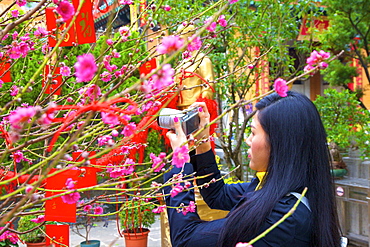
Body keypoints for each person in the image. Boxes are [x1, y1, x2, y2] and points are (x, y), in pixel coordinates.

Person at [163, 91, 341, 247]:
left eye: (253, 133)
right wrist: (203, 144)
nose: (248, 140)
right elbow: (218, 195)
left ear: (280, 144)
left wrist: (180, 163)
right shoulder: (276, 188)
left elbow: (186, 239)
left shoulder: (283, 217)